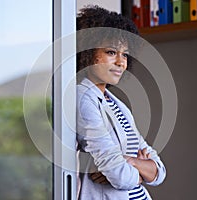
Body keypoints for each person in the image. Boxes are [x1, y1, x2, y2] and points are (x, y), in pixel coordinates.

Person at [76, 5, 166, 200]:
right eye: (111, 52)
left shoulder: (116, 103)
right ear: (88, 52)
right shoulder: (83, 99)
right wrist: (140, 170)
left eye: (125, 54)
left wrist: (128, 161)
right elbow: (121, 178)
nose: (121, 62)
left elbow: (159, 172)